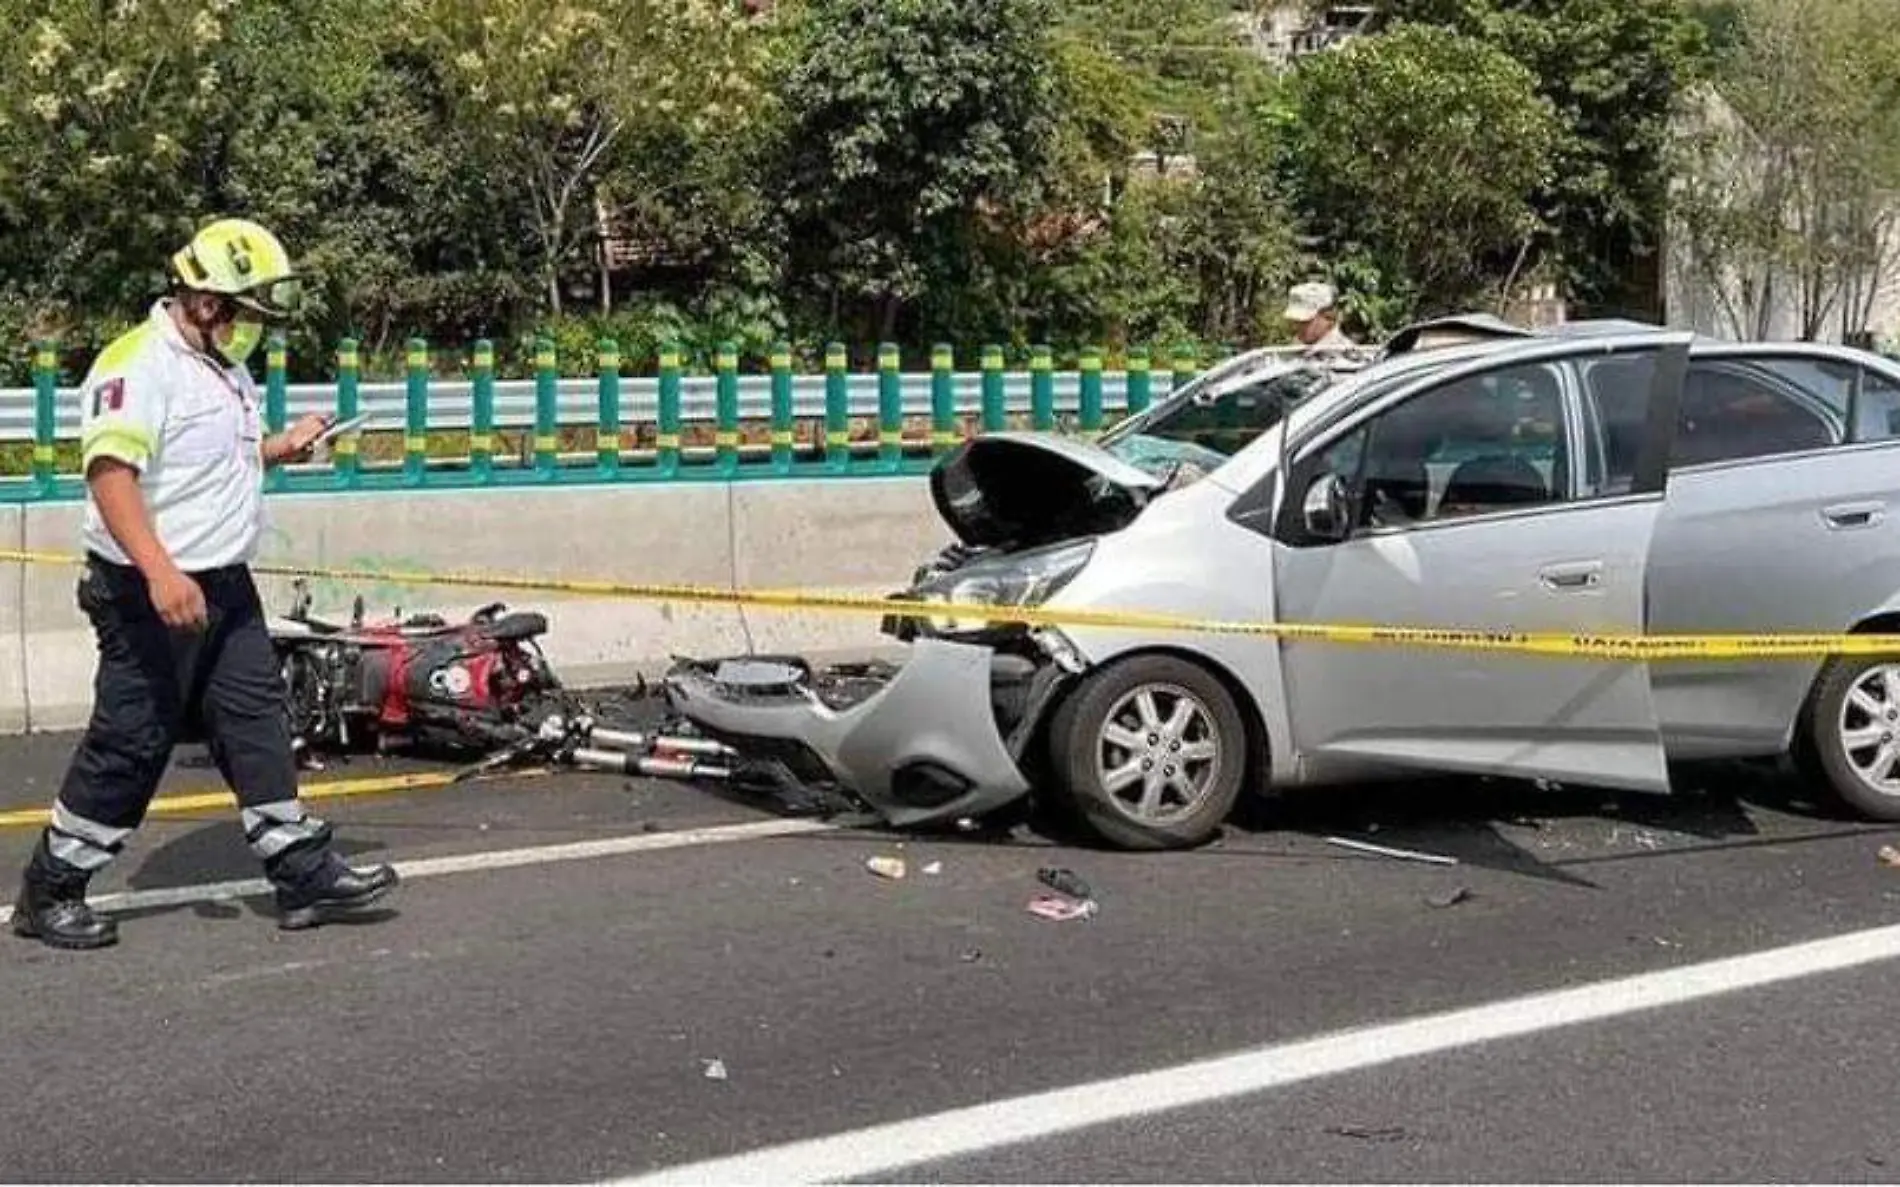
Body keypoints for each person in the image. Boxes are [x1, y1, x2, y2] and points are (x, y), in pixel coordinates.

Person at [11, 217, 400, 951]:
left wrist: (279, 447)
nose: (258, 328)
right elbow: (110, 474)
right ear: (209, 302)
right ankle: (51, 886)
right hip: (147, 591)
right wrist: (160, 571)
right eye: (249, 312)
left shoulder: (221, 365)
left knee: (257, 717)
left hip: (223, 585)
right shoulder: (138, 365)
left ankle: (299, 868)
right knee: (132, 740)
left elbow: (209, 460)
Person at [1284, 281, 1360, 352]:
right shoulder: (1299, 347)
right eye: (1295, 321)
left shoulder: (1342, 354)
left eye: (1304, 322)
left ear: (1328, 316)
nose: (1295, 327)